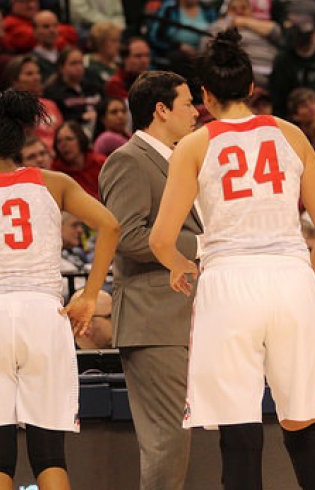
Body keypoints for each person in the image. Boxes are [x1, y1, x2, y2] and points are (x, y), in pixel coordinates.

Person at [149, 29, 315, 490]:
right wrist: (308, 281)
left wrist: (180, 267)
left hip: (230, 283)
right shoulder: (291, 133)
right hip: (292, 279)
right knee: (306, 433)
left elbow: (161, 238)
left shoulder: (195, 145)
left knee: (239, 438)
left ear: (205, 95)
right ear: (252, 89)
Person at [0, 89, 120, 490]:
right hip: (44, 313)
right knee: (49, 453)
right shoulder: (55, 182)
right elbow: (110, 226)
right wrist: (87, 294)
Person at [97, 70, 202, 490]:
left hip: (182, 314)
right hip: (153, 317)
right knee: (167, 439)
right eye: (188, 103)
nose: (196, 111)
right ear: (161, 110)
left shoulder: (179, 159)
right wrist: (201, 243)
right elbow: (127, 236)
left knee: (180, 436)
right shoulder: (129, 159)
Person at [51, 121, 105, 199]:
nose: (64, 145)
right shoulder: (56, 173)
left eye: (69, 139)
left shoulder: (100, 162)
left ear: (80, 140)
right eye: (59, 141)